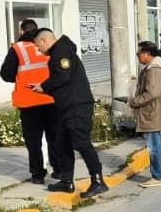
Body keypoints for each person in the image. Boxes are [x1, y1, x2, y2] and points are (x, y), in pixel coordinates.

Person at [31, 29, 108, 199]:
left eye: (38, 46)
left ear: (44, 41)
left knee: (81, 143)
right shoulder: (59, 51)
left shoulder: (61, 52)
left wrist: (44, 86)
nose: (38, 50)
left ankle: (98, 180)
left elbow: (62, 76)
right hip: (66, 105)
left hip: (76, 106)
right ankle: (66, 182)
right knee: (62, 142)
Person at [0, 19, 60, 184]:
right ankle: (59, 170)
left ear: (21, 32)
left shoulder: (17, 49)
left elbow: (5, 74)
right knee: (54, 136)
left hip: (29, 101)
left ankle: (38, 174)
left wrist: (21, 77)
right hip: (51, 98)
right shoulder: (48, 45)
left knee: (33, 141)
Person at [128, 41, 161, 188]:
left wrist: (134, 101)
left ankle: (158, 176)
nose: (137, 56)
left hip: (154, 114)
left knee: (155, 147)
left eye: (138, 53)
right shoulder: (156, 67)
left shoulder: (153, 70)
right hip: (158, 113)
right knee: (160, 145)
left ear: (147, 54)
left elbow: (152, 93)